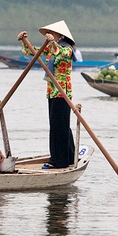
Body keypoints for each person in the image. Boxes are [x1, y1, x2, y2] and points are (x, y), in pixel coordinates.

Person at [17, 20, 76, 169]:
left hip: (62, 92)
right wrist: (25, 41)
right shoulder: (50, 49)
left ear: (60, 36)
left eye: (53, 34)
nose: (50, 35)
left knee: (60, 126)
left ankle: (58, 161)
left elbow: (61, 54)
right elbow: (33, 51)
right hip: (52, 92)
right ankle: (68, 156)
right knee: (57, 125)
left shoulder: (67, 49)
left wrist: (53, 44)